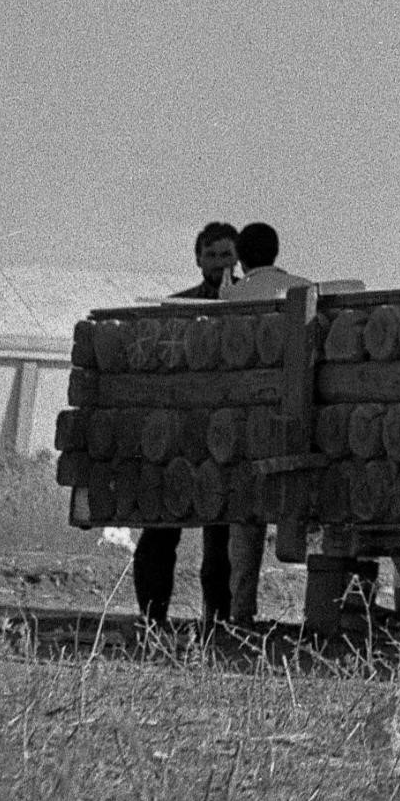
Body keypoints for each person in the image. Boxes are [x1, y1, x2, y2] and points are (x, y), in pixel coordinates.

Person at [129, 221, 239, 630]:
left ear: (238, 257)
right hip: (179, 435)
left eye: (225, 254)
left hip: (226, 436)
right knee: (160, 535)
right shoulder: (178, 307)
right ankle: (152, 620)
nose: (218, 263)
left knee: (220, 542)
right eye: (210, 255)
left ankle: (219, 623)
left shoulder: (253, 302)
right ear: (197, 260)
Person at [216, 221, 304, 626]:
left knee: (244, 527)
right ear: (276, 251)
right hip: (300, 420)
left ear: (242, 258)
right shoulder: (305, 287)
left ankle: (241, 611)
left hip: (247, 420)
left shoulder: (234, 293)